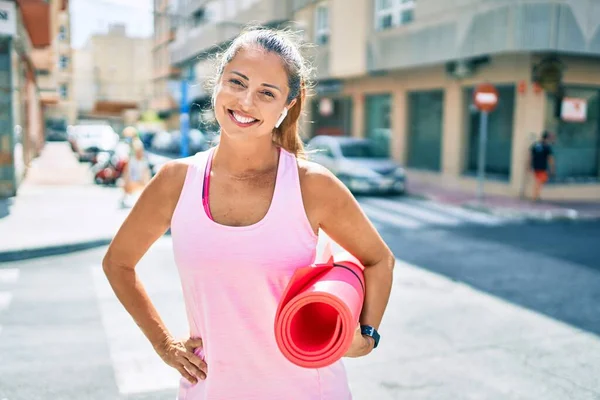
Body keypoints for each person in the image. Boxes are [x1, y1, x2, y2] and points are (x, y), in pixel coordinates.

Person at [102, 27, 395, 400]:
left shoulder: (312, 186)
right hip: (210, 391)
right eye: (237, 83)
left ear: (286, 106)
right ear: (217, 84)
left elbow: (379, 260)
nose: (245, 102)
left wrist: (366, 337)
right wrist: (164, 344)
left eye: (266, 93)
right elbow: (118, 263)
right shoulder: (176, 182)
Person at [121, 138, 151, 207]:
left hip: (141, 182)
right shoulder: (131, 161)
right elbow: (126, 173)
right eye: (138, 151)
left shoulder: (144, 161)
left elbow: (146, 174)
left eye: (140, 150)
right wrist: (126, 182)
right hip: (132, 182)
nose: (139, 152)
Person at [529, 130, 555, 201]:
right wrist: (552, 168)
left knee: (538, 181)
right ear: (547, 138)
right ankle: (535, 197)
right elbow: (550, 158)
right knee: (540, 181)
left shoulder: (536, 145)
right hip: (542, 167)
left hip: (535, 166)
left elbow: (531, 156)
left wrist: (529, 166)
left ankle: (537, 195)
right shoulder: (546, 147)